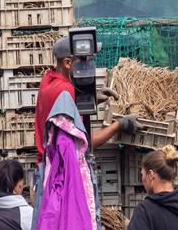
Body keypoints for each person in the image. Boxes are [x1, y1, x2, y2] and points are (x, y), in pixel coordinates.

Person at [34, 35, 138, 163]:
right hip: (59, 170)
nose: (89, 65)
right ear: (68, 63)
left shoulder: (48, 78)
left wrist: (91, 99)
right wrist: (120, 125)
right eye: (85, 61)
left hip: (47, 164)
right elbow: (84, 143)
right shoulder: (66, 92)